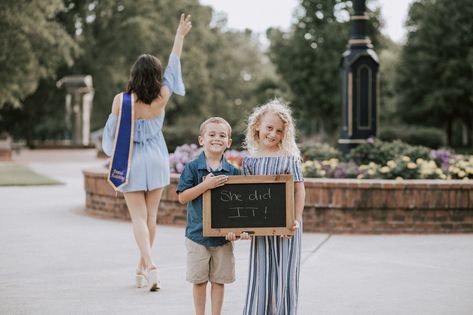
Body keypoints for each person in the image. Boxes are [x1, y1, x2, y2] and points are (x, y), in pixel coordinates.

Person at [101, 14, 192, 291]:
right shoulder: (162, 97)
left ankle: (150, 265)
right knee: (152, 217)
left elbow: (111, 138)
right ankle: (141, 268)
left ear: (133, 76)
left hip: (131, 162)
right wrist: (180, 36)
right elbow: (174, 65)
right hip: (157, 158)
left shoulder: (122, 100)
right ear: (156, 75)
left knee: (138, 218)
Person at [239, 99, 306, 315]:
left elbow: (298, 190)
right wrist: (246, 225)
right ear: (257, 125)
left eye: (279, 131)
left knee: (285, 274)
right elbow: (246, 197)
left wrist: (295, 218)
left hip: (288, 227)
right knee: (262, 273)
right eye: (269, 127)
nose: (273, 134)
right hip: (261, 228)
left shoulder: (289, 159)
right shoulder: (249, 161)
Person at [176, 117, 244, 315]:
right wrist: (205, 186)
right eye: (212, 135)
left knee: (218, 280)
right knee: (199, 281)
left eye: (222, 135)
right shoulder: (192, 168)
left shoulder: (233, 172)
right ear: (201, 140)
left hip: (223, 238)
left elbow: (240, 207)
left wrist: (237, 232)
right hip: (197, 236)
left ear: (229, 142)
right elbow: (182, 197)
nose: (217, 139)